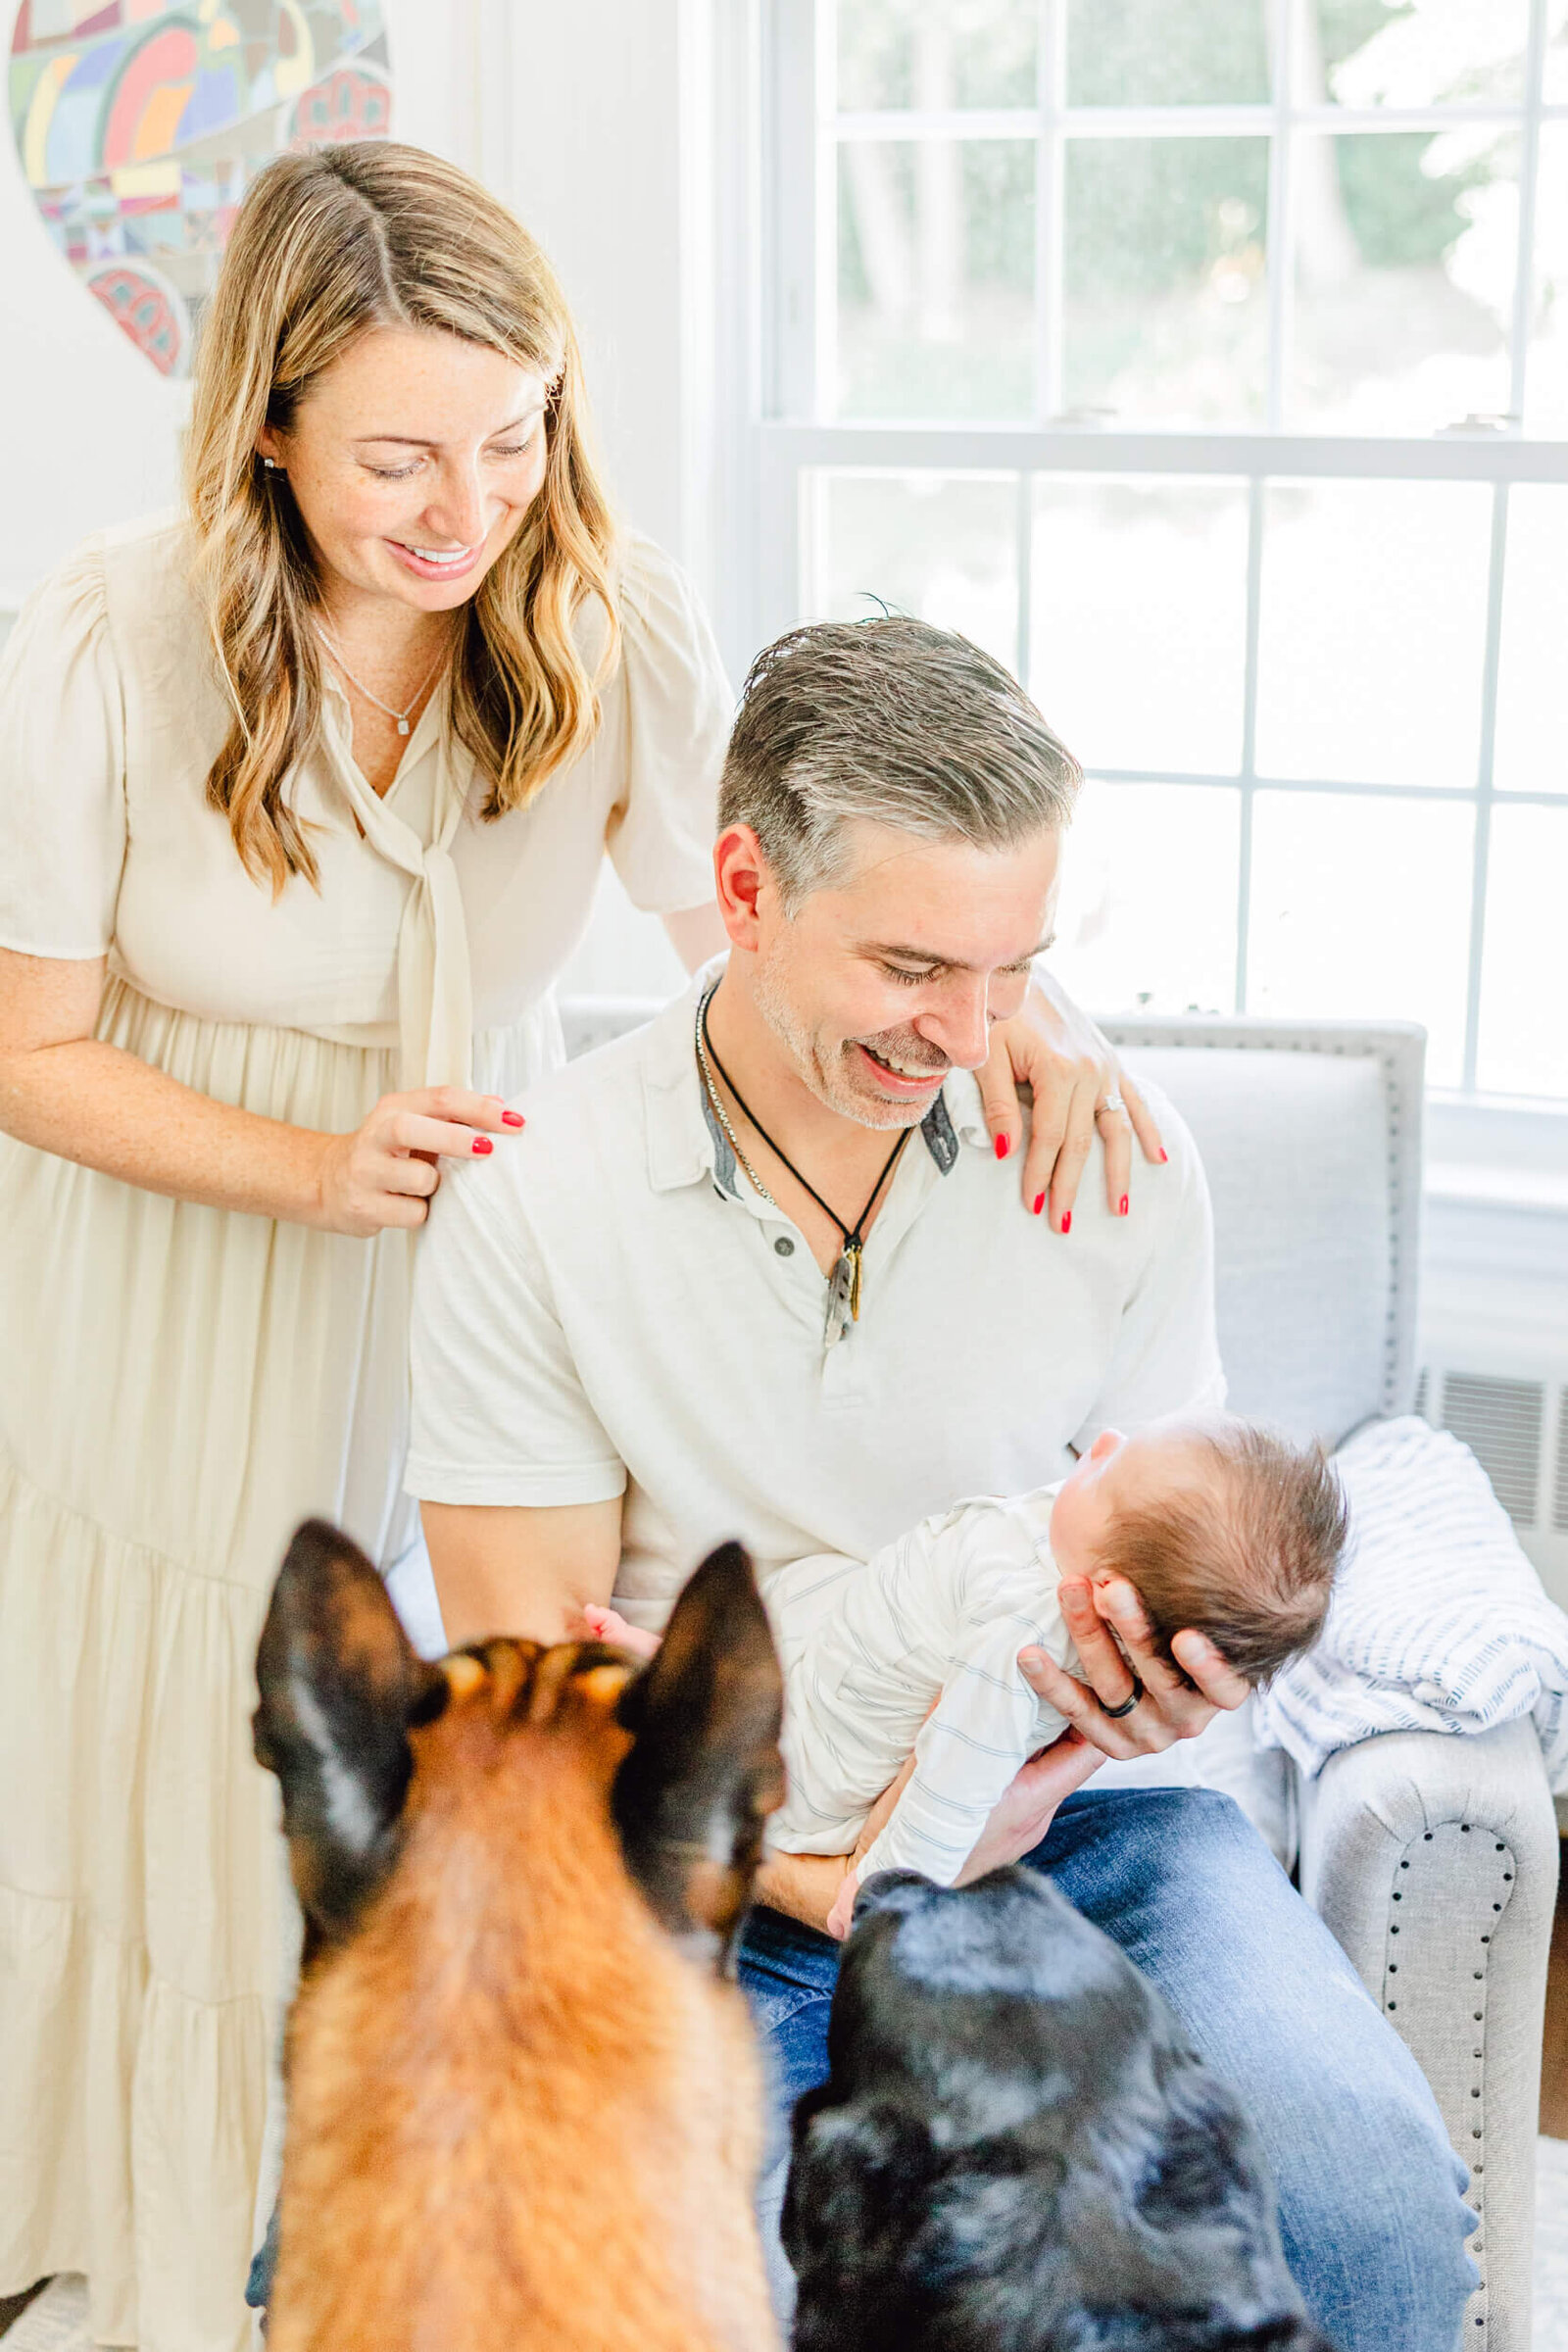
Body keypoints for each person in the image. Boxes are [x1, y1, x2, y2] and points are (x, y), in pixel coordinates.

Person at [0, 148, 1162, 2349]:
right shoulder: (104, 642)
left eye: (518, 430)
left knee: (430, 1784)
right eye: (401, 455)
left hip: (471, 1289)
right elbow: (21, 1044)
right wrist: (304, 1158)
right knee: (177, 1767)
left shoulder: (595, 622)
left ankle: (374, 2248)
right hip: (177, 1277)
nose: (472, 502)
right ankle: (151, 2254)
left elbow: (779, 889)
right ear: (267, 420)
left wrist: (1031, 1010)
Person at [406, 616, 1475, 2352]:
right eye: (913, 965)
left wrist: (1112, 1720)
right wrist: (817, 1877)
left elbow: (1170, 1529)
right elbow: (533, 1703)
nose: (974, 1030)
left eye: (1016, 968)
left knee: (1361, 2198)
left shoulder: (1108, 1161)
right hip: (701, 1869)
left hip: (1089, 1843)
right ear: (742, 889)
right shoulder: (537, 1204)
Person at [584, 1412, 1348, 1933]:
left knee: (761, 1737)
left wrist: (879, 1891)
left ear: (1113, 1590)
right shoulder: (1101, 1539)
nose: (1104, 1441)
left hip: (828, 1765)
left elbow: (958, 1771)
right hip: (842, 1636)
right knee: (794, 1597)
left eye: (1109, 1474)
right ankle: (674, 1664)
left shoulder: (1022, 1643)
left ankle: (664, 1688)